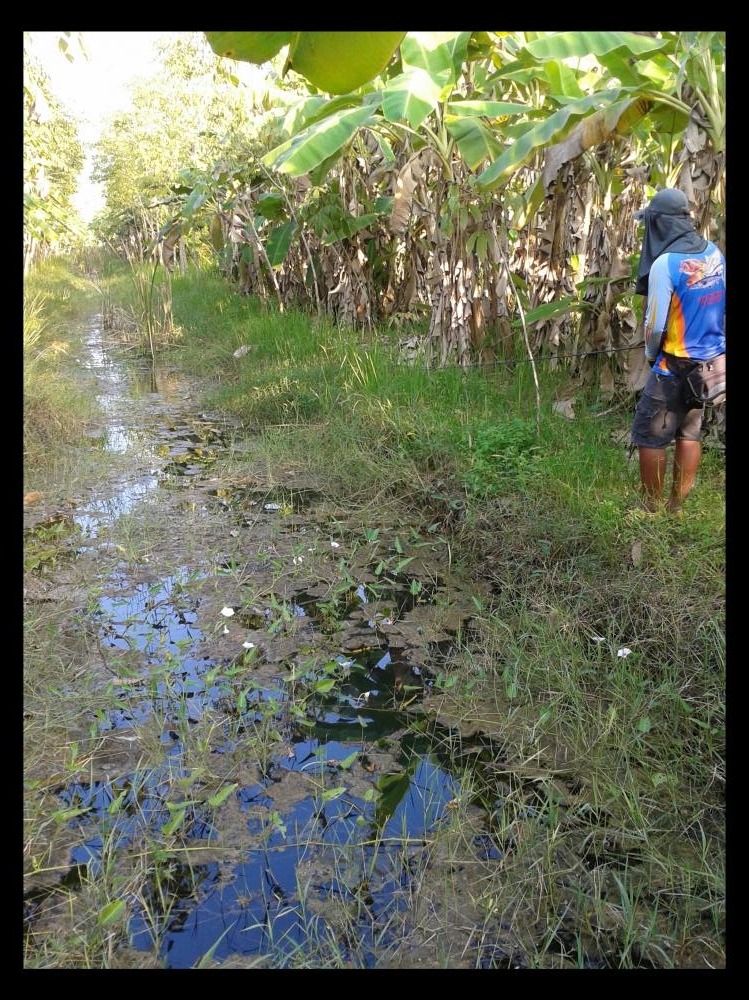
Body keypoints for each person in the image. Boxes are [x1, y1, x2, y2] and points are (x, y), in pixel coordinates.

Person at [630, 187, 725, 513]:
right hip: (708, 367)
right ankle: (676, 508)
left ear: (659, 225)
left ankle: (652, 510)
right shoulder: (713, 252)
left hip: (674, 366)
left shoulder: (665, 265)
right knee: (689, 432)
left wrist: (652, 356)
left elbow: (655, 326)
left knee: (650, 436)